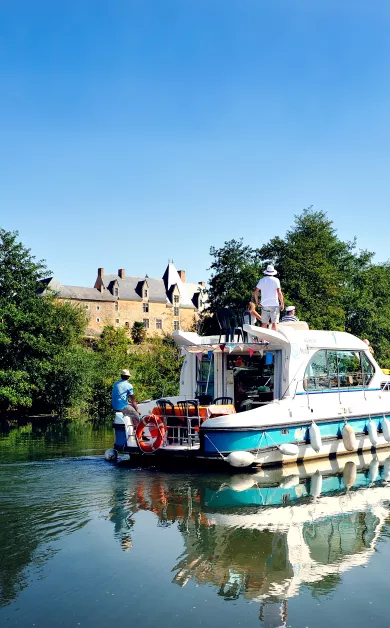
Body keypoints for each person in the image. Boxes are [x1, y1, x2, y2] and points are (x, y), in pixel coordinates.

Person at [254, 264, 284, 331]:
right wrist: (282, 303)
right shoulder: (276, 280)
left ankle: (261, 340)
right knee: (274, 323)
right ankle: (274, 340)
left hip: (264, 304)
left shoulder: (262, 280)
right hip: (274, 304)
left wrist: (257, 302)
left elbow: (255, 291)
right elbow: (279, 292)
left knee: (264, 324)